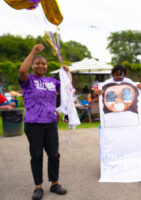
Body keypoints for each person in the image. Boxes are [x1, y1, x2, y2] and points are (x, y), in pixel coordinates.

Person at [18, 44, 68, 200]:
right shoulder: (28, 80)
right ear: (33, 65)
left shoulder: (52, 81)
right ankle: (38, 186)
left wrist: (68, 72)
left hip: (50, 122)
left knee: (54, 154)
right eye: (37, 63)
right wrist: (33, 52)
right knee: (37, 155)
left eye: (43, 64)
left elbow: (67, 89)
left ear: (46, 67)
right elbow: (22, 71)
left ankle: (54, 184)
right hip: (34, 123)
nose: (40, 66)